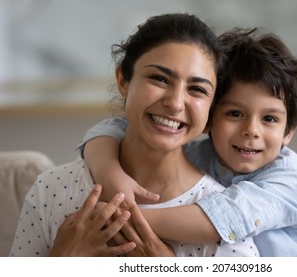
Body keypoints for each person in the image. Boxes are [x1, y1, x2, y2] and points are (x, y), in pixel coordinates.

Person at [9, 13, 259, 257]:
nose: (175, 103)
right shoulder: (51, 189)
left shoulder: (223, 223)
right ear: (123, 81)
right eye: (159, 79)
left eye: (196, 89)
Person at [79, 28, 297, 256]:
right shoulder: (195, 155)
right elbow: (119, 127)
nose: (251, 130)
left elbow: (223, 219)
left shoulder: (289, 180)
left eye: (270, 119)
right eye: (234, 114)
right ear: (208, 120)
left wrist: (118, 218)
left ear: (289, 132)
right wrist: (109, 172)